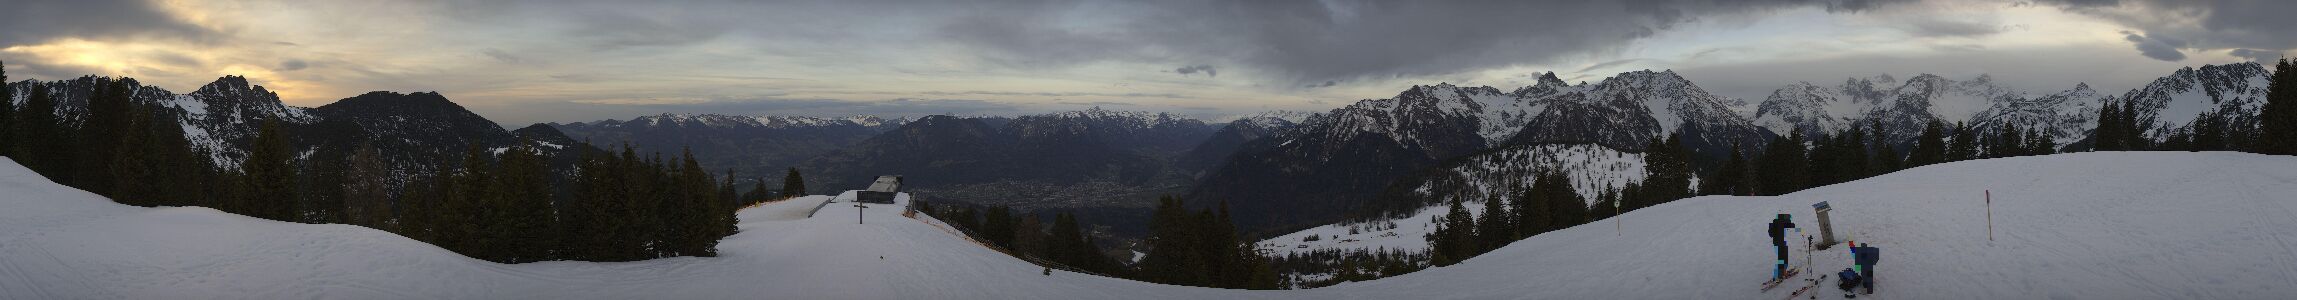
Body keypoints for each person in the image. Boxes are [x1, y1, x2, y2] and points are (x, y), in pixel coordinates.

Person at [1766, 214, 1797, 280]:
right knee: (1783, 258)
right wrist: (1800, 230)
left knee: (1781, 258)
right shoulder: (1780, 223)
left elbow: (1791, 225)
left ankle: (1781, 272)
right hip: (1780, 243)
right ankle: (1782, 273)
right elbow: (1791, 225)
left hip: (1778, 243)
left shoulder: (1775, 222)